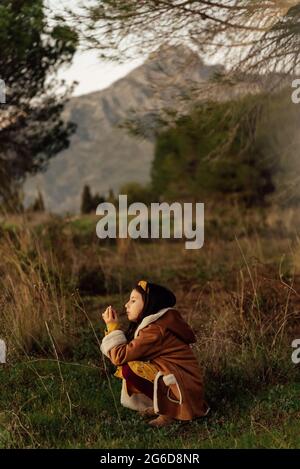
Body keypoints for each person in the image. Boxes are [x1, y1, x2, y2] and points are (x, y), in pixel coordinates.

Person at [101, 280, 209, 427]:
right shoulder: (159, 324)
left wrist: (112, 326)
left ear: (149, 303)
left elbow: (119, 356)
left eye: (133, 300)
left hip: (183, 387)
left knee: (130, 368)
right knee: (133, 365)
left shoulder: (155, 330)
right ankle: (163, 405)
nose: (126, 305)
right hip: (184, 384)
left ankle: (170, 412)